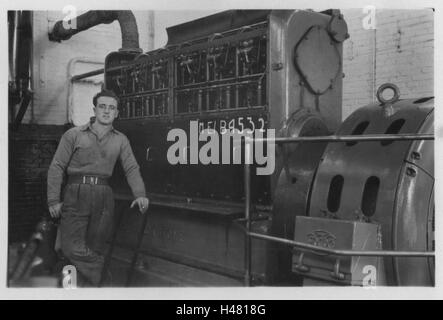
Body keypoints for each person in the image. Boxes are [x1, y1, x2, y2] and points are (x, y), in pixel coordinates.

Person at [47, 89, 149, 286]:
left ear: (117, 113)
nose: (106, 111)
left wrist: (140, 194)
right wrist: (53, 199)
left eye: (112, 108)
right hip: (76, 192)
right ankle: (100, 275)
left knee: (94, 246)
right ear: (94, 109)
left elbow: (131, 168)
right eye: (102, 106)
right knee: (69, 248)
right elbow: (57, 166)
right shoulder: (73, 134)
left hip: (103, 196)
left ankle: (84, 290)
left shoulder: (121, 139)